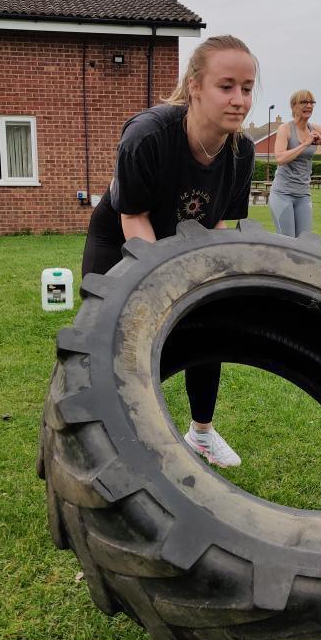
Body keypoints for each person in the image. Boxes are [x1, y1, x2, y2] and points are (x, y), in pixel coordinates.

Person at [81, 35, 257, 466]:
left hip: (184, 237)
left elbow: (214, 224)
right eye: (226, 86)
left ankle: (201, 434)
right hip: (121, 235)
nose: (239, 100)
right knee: (111, 336)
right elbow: (134, 217)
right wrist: (162, 281)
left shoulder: (242, 151)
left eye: (248, 89)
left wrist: (196, 278)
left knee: (206, 321)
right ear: (195, 85)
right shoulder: (148, 134)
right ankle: (97, 432)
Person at [268, 90, 321, 236]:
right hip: (283, 194)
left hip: (303, 194)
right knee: (288, 243)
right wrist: (305, 144)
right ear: (294, 106)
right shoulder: (285, 129)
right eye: (304, 102)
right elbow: (280, 158)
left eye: (311, 103)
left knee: (304, 242)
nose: (308, 106)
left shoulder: (316, 129)